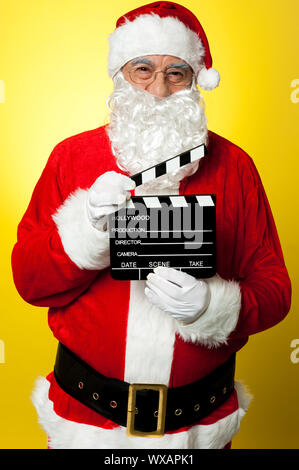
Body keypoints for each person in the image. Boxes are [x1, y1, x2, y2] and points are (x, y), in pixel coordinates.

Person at [11, 1, 291, 449]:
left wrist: (212, 307)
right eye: (143, 68)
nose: (159, 89)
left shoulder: (235, 167)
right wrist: (87, 227)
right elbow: (29, 282)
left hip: (199, 424)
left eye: (176, 72)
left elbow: (275, 288)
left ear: (195, 80)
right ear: (121, 73)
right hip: (87, 422)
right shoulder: (71, 158)